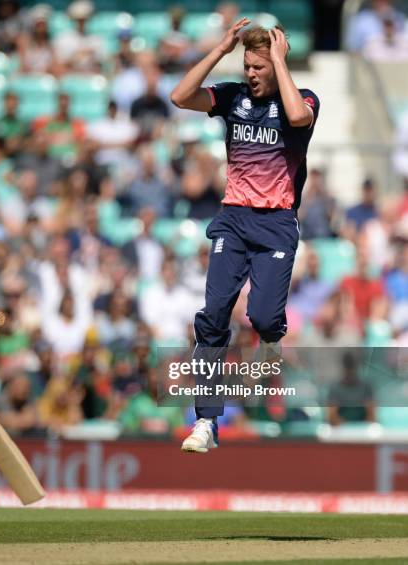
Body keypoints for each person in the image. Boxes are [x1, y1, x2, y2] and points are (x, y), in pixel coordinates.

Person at [171, 20, 320, 453]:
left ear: (277, 64)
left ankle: (272, 342)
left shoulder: (303, 98)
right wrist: (218, 51)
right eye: (248, 65)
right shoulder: (233, 96)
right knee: (213, 315)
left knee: (264, 319)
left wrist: (279, 61)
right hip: (234, 219)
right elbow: (180, 97)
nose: (251, 73)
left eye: (260, 66)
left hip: (275, 223)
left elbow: (296, 116)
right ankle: (206, 421)